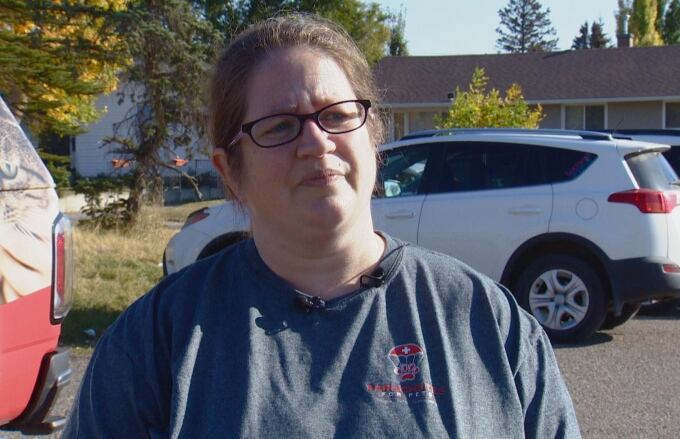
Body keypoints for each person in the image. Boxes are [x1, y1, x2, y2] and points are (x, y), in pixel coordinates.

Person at [64, 13, 580, 438]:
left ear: (374, 138)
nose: (316, 143)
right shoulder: (158, 340)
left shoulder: (485, 322)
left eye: (337, 115)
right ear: (230, 173)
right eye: (280, 126)